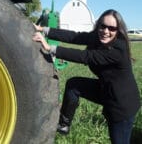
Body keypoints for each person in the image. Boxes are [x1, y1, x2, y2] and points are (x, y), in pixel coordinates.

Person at [32, 9, 141, 144]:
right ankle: (64, 124)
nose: (106, 31)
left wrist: (50, 48)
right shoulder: (97, 37)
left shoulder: (118, 49)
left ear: (118, 30)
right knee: (74, 85)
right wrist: (43, 29)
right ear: (99, 25)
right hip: (106, 90)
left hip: (122, 104)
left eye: (112, 28)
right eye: (103, 26)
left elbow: (85, 57)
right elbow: (74, 37)